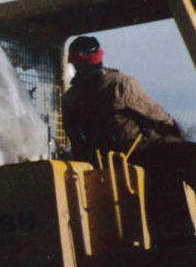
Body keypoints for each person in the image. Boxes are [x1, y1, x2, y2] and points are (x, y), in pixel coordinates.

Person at [62, 34, 195, 242]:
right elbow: (155, 115)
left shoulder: (70, 99)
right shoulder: (119, 84)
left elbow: (75, 138)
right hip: (139, 151)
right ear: (99, 57)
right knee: (185, 155)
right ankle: (177, 233)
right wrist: (172, 128)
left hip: (100, 160)